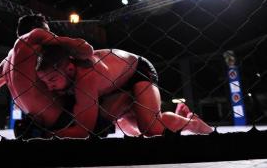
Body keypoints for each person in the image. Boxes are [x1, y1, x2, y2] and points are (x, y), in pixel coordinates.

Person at [0, 14, 93, 141]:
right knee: (88, 65)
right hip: (65, 118)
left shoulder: (7, 62)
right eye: (48, 31)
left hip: (33, 128)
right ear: (41, 29)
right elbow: (86, 50)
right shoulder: (36, 35)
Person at [36, 46, 213, 138]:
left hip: (137, 71)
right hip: (115, 86)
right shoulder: (67, 74)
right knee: (130, 129)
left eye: (51, 80)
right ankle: (174, 116)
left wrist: (44, 134)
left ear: (70, 69)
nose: (49, 87)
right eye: (45, 82)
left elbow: (84, 131)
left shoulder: (86, 77)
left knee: (152, 130)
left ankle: (193, 124)